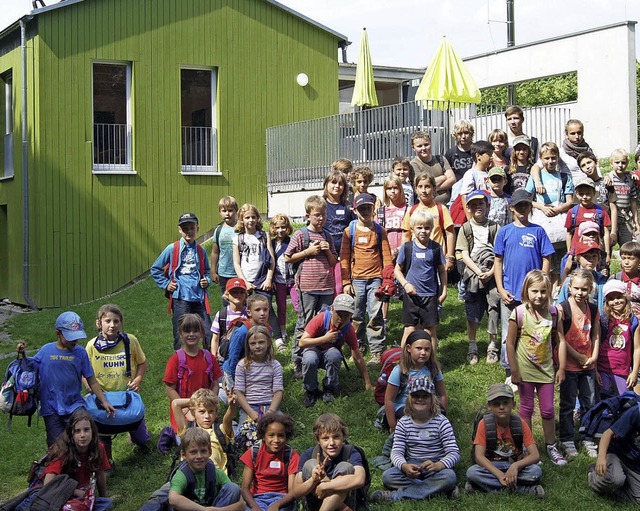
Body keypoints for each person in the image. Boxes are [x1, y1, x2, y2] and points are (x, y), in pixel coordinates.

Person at [17, 312, 115, 447]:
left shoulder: (80, 353)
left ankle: (86, 465)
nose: (75, 341)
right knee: (56, 445)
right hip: (51, 407)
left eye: (77, 337)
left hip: (75, 404)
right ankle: (58, 467)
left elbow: (91, 379)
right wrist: (23, 353)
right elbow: (30, 367)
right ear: (58, 334)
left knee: (84, 437)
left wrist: (104, 401)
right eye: (71, 338)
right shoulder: (46, 350)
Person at [506, 270, 568, 466]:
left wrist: (562, 368)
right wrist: (514, 370)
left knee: (548, 410)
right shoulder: (519, 313)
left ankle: (551, 445)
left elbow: (561, 340)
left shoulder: (554, 312)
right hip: (524, 371)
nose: (539, 296)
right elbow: (509, 343)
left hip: (546, 370)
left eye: (543, 291)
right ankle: (527, 446)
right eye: (534, 291)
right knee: (526, 408)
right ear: (526, 291)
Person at [493, 189, 554, 385]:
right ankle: (509, 370)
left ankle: (534, 366)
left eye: (525, 205)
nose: (522, 208)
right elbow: (498, 261)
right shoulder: (504, 232)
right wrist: (501, 289)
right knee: (508, 333)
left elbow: (547, 258)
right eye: (518, 205)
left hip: (534, 295)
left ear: (530, 207)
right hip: (510, 292)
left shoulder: (538, 231)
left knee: (534, 332)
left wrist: (543, 283)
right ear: (511, 207)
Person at [372, 377, 460, 502]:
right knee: (388, 476)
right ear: (409, 399)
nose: (420, 399)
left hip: (435, 467)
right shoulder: (403, 422)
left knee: (449, 476)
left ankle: (396, 496)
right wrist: (404, 466)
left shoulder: (442, 422)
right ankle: (441, 489)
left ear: (432, 400)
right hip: (412, 467)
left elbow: (454, 453)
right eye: (416, 395)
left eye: (425, 396)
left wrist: (438, 465)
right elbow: (396, 451)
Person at [85, 304, 150, 463]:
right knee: (102, 432)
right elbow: (83, 371)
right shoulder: (91, 346)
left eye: (116, 321)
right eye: (107, 321)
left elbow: (142, 363)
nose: (112, 325)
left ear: (121, 323)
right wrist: (89, 387)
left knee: (142, 440)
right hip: (103, 398)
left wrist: (138, 379)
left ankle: (135, 436)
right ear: (98, 323)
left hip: (127, 396)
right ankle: (107, 461)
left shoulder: (130, 341)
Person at [16, 409, 113, 511]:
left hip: (78, 495)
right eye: (77, 431)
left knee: (106, 503)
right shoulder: (62, 450)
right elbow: (48, 483)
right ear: (71, 434)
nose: (83, 435)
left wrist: (103, 496)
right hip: (53, 492)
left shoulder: (99, 448)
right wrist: (74, 491)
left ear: (93, 431)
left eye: (86, 430)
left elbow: (100, 473)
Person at [285, 195, 338, 378]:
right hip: (307, 286)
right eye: (317, 215)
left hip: (326, 286)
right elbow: (287, 257)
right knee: (304, 322)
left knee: (324, 322)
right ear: (308, 215)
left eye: (323, 215)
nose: (321, 218)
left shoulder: (328, 235)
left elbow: (333, 262)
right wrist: (308, 252)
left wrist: (326, 250)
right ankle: (298, 359)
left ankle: (320, 355)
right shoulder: (301, 234)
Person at [340, 193, 393, 363]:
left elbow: (386, 257)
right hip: (356, 280)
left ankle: (377, 350)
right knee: (356, 315)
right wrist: (346, 281)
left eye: (368, 208)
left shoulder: (379, 231)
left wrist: (387, 280)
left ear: (373, 209)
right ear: (355, 210)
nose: (365, 211)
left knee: (375, 314)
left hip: (375, 279)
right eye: (361, 208)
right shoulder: (349, 232)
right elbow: (345, 258)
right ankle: (357, 347)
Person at [466, 383, 543, 498]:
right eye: (496, 404)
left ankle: (482, 487)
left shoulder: (520, 423)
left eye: (505, 403)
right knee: (472, 472)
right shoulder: (484, 424)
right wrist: (499, 475)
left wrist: (515, 466)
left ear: (513, 404)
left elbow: (535, 455)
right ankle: (524, 490)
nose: (501, 407)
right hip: (491, 466)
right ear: (489, 406)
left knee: (536, 471)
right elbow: (479, 456)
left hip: (514, 465)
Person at [151, 212, 212, 351]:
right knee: (180, 332)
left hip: (199, 297)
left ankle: (208, 361)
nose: (188, 231)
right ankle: (180, 361)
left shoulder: (201, 250)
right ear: (180, 230)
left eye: (191, 228)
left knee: (207, 331)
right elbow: (155, 268)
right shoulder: (172, 248)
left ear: (197, 228)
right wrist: (166, 284)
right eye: (185, 229)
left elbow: (207, 271)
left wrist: (206, 280)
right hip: (180, 298)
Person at [299, 294, 372, 407]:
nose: (341, 319)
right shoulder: (321, 319)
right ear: (332, 309)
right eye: (338, 314)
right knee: (310, 359)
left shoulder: (348, 329)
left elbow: (357, 356)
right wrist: (324, 339)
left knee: (334, 355)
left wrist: (367, 383)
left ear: (351, 315)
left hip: (329, 354)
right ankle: (311, 391)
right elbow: (302, 342)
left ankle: (329, 389)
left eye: (346, 315)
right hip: (313, 349)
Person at [557, 269, 600, 459]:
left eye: (584, 289)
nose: (580, 293)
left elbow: (596, 335)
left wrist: (594, 357)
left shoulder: (593, 309)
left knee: (589, 402)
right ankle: (567, 438)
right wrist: (578, 357)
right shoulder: (563, 309)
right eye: (576, 288)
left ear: (590, 289)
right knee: (567, 404)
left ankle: (586, 437)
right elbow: (560, 340)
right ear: (569, 287)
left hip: (588, 365)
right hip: (569, 365)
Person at [456, 190, 501, 365]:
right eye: (473, 204)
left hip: (492, 273)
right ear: (468, 208)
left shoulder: (495, 227)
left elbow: (499, 253)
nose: (477, 208)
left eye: (480, 204)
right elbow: (464, 254)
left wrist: (490, 273)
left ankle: (492, 345)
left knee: (494, 308)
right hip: (473, 274)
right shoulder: (465, 228)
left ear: (487, 205)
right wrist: (478, 272)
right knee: (472, 311)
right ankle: (472, 346)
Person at [395, 210, 447, 348]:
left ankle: (432, 363)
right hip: (411, 296)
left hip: (430, 295)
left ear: (432, 228)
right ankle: (404, 362)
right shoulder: (407, 248)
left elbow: (442, 270)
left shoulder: (436, 248)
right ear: (412, 228)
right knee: (409, 330)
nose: (423, 231)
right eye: (419, 227)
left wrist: (444, 290)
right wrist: (406, 284)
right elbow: (397, 270)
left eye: (427, 227)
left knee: (430, 330)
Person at [294, 413, 368, 511]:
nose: (332, 443)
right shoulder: (308, 454)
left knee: (345, 467)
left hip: (345, 503)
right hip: (315, 503)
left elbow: (360, 479)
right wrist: (313, 480)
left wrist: (325, 486)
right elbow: (296, 490)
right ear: (318, 440)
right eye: (325, 438)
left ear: (343, 437)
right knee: (310, 464)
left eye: (336, 437)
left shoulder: (350, 452)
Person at [525, 142, 574, 288]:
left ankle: (557, 289)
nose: (550, 161)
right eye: (546, 158)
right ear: (541, 159)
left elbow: (570, 201)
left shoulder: (564, 177)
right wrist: (541, 206)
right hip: (542, 220)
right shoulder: (536, 176)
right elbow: (528, 199)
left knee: (559, 261)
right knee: (545, 259)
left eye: (553, 158)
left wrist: (558, 209)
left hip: (559, 222)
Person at [233, 203, 282, 346]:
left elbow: (271, 259)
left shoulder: (263, 235)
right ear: (242, 219)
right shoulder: (238, 238)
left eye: (253, 217)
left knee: (266, 308)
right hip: (245, 279)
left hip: (262, 278)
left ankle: (277, 338)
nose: (251, 220)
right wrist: (244, 282)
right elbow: (236, 263)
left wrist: (269, 278)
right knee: (245, 309)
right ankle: (248, 336)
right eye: (247, 217)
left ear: (257, 218)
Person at [164, 314, 222, 434]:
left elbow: (215, 384)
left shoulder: (209, 358)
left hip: (205, 410)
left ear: (201, 333)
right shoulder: (175, 360)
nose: (191, 334)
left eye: (195, 331)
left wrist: (211, 404)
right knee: (190, 439)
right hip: (184, 412)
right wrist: (186, 411)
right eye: (187, 331)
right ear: (180, 334)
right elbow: (170, 389)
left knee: (216, 437)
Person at [383, 330, 447, 433]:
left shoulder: (434, 370)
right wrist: (393, 425)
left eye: (427, 349)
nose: (423, 353)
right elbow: (389, 399)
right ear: (408, 348)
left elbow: (442, 395)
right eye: (419, 348)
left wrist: (443, 417)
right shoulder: (399, 371)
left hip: (428, 404)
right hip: (405, 407)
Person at [168, 428, 243, 511]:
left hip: (212, 507)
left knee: (233, 488)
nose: (199, 456)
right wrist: (204, 510)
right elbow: (173, 499)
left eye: (203, 451)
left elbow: (242, 503)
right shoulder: (182, 475)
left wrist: (219, 510)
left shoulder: (215, 472)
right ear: (183, 454)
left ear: (210, 452)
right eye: (193, 452)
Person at [240, 413, 300, 511]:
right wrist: (254, 507)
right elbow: (245, 488)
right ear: (264, 436)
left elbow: (292, 492)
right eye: (271, 435)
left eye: (281, 436)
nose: (276, 440)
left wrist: (277, 505)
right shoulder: (253, 453)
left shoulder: (291, 455)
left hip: (282, 499)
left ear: (286, 436)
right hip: (258, 498)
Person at [171, 388, 236, 474]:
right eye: (202, 411)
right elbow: (175, 404)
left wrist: (232, 406)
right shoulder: (187, 429)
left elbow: (227, 420)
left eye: (211, 411)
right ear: (193, 413)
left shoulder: (220, 430)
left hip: (214, 475)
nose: (207, 416)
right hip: (190, 475)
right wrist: (197, 401)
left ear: (216, 413)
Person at [401, 173, 456, 273]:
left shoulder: (441, 209)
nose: (424, 190)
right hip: (416, 258)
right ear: (415, 189)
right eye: (420, 187)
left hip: (436, 258)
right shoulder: (411, 210)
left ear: (434, 189)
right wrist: (403, 256)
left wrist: (450, 257)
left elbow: (450, 233)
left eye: (427, 187)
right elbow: (406, 235)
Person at [588, 400, 640, 503]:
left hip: (635, 464)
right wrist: (601, 458)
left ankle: (620, 487)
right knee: (616, 479)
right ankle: (593, 475)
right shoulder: (637, 412)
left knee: (638, 499)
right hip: (617, 453)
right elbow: (607, 434)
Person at [597, 280, 640, 398]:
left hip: (622, 370)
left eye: (619, 297)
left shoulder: (633, 321)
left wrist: (635, 371)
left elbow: (637, 348)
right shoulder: (604, 320)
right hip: (603, 367)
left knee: (623, 401)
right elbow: (597, 342)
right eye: (611, 298)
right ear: (606, 301)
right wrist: (595, 370)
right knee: (603, 401)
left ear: (625, 297)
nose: (615, 301)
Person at [235, 325, 283, 425]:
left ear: (268, 342)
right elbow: (239, 392)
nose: (257, 346)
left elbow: (278, 391)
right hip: (249, 406)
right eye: (253, 343)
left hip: (270, 405)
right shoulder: (242, 365)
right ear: (248, 345)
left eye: (261, 342)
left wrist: (270, 411)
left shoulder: (275, 365)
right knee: (244, 434)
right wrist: (251, 413)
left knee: (280, 429)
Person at [222, 293, 271, 390]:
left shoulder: (268, 329)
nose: (262, 313)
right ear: (249, 312)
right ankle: (222, 390)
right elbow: (233, 359)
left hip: (254, 369)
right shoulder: (242, 332)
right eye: (257, 310)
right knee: (239, 400)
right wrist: (237, 382)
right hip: (235, 370)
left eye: (265, 309)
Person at [378, 175, 408, 324]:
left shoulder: (406, 209)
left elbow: (408, 231)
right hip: (386, 252)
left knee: (405, 283)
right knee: (386, 284)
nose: (393, 191)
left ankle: (408, 316)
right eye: (389, 188)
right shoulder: (381, 211)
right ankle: (383, 318)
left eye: (395, 188)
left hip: (403, 250)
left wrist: (400, 249)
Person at [564, 176, 611, 270]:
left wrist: (607, 253)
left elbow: (606, 233)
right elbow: (569, 233)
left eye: (588, 193)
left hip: (595, 253)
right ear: (576, 194)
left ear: (594, 193)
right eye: (581, 194)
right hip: (577, 252)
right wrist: (569, 252)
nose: (585, 196)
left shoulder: (600, 211)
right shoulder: (572, 212)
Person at [323, 171, 355, 296]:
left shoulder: (347, 206)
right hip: (326, 254)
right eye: (333, 182)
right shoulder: (321, 204)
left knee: (341, 287)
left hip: (344, 254)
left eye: (341, 184)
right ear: (326, 185)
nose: (337, 186)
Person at [270, 213, 298, 352]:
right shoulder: (272, 243)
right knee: (281, 307)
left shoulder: (292, 241)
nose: (280, 230)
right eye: (277, 227)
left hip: (292, 280)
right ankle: (283, 331)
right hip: (278, 280)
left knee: (298, 305)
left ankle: (302, 328)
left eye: (283, 227)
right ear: (273, 228)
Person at [557, 240, 607, 314]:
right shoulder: (570, 280)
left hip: (594, 319)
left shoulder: (601, 280)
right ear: (577, 258)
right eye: (586, 256)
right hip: (573, 320)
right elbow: (560, 304)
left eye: (594, 256)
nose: (591, 260)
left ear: (599, 258)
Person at [410, 131, 455, 205]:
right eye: (419, 146)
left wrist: (433, 188)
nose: (423, 148)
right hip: (427, 207)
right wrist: (444, 177)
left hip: (447, 205)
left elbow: (452, 179)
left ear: (430, 143)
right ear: (413, 148)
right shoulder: (413, 165)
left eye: (426, 145)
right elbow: (421, 185)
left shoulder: (441, 159)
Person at [211, 278, 249, 361]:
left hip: (245, 356)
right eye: (234, 292)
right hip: (226, 356)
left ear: (245, 295)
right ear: (227, 294)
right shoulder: (222, 315)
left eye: (241, 292)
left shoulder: (249, 314)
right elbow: (215, 338)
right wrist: (213, 358)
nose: (238, 294)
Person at [608, 148, 639, 246]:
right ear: (611, 163)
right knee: (608, 245)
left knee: (627, 246)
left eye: (623, 162)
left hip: (625, 218)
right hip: (611, 218)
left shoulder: (630, 179)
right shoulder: (609, 178)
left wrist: (636, 220)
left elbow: (633, 201)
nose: (620, 165)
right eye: (617, 162)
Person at [211, 196, 240, 300]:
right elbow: (215, 252)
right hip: (224, 273)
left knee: (241, 301)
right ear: (220, 212)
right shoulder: (218, 230)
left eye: (230, 210)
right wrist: (213, 271)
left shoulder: (241, 228)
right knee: (227, 301)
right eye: (224, 211)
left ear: (236, 211)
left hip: (240, 272)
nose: (227, 214)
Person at [459, 141, 495, 219]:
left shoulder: (488, 173)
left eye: (492, 155)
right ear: (478, 156)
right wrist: (470, 220)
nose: (491, 158)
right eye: (489, 155)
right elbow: (465, 196)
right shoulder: (471, 174)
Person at [609, 241, 640, 317]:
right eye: (623, 258)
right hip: (618, 321)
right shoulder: (615, 279)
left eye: (631, 259)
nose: (626, 262)